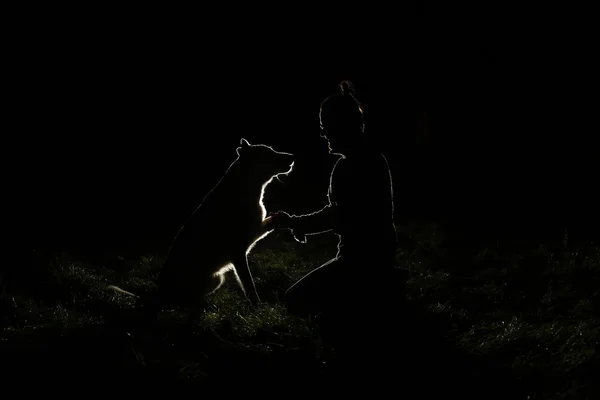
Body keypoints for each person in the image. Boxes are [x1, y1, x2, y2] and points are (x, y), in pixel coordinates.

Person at [270, 81, 405, 353]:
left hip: (359, 261)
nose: (323, 134)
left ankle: (365, 301)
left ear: (343, 125)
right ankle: (377, 293)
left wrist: (295, 222)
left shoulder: (350, 166)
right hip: (379, 257)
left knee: (294, 299)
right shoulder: (373, 159)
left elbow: (337, 217)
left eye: (325, 125)